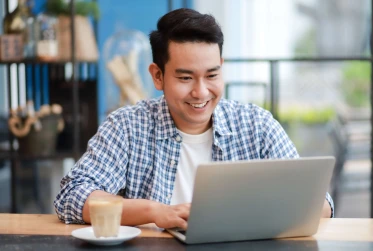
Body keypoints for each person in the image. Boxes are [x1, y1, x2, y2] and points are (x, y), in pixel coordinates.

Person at [54, 8, 334, 229]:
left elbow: (320, 203)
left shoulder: (257, 125)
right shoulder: (127, 126)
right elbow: (72, 195)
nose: (201, 92)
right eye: (185, 77)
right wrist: (154, 212)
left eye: (212, 75)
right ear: (158, 76)